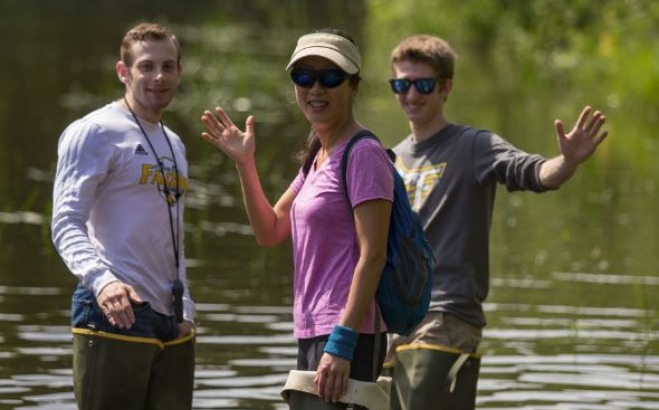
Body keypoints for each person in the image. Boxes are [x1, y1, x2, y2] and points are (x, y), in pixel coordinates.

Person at [384, 34, 608, 409]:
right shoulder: (390, 159)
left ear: (446, 88)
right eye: (400, 84)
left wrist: (567, 162)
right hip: (396, 318)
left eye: (422, 84)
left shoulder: (474, 146)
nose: (411, 95)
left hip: (448, 313)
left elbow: (536, 173)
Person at [200, 29, 393, 407]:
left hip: (346, 336)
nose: (315, 88)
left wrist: (341, 343)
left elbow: (374, 256)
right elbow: (270, 231)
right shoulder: (318, 156)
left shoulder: (363, 154)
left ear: (353, 86)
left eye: (330, 77)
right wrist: (245, 163)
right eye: (304, 77)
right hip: (312, 332)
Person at [51, 22, 195, 409]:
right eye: (147, 66)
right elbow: (65, 222)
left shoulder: (174, 143)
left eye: (168, 66)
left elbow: (172, 236)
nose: (159, 76)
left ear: (180, 71)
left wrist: (187, 311)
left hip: (171, 321)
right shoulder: (95, 131)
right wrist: (103, 283)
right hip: (113, 313)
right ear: (124, 72)